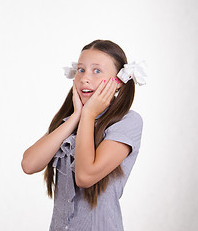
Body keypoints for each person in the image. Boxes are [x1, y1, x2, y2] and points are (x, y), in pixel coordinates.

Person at [21, 40, 145, 230]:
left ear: (118, 82)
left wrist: (88, 115)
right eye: (81, 70)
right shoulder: (69, 122)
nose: (85, 78)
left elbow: (85, 176)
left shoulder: (127, 122)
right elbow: (29, 164)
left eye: (96, 71)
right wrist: (75, 117)